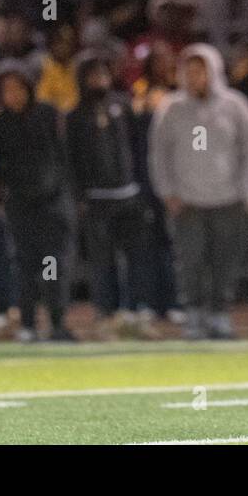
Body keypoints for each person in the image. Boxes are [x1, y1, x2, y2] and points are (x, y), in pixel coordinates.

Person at [148, 44, 248, 340]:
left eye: (199, 71)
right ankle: (194, 314)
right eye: (188, 71)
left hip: (228, 199)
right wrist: (167, 191)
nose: (194, 77)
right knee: (190, 261)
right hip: (186, 201)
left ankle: (220, 313)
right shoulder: (171, 108)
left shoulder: (235, 105)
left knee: (225, 261)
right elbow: (158, 154)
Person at [66, 55, 157, 338]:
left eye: (103, 74)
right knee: (101, 261)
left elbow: (139, 149)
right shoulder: (75, 116)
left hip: (129, 195)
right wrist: (79, 196)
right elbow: (72, 160)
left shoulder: (124, 106)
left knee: (136, 257)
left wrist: (143, 188)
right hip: (96, 199)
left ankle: (136, 310)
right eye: (93, 76)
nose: (99, 81)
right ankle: (105, 313)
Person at [0, 63, 75, 342]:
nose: (13, 95)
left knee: (53, 266)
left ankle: (58, 322)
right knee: (25, 267)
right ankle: (27, 323)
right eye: (7, 90)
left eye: (17, 88)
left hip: (51, 205)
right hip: (21, 208)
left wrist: (63, 196)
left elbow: (63, 157)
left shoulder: (47, 115)